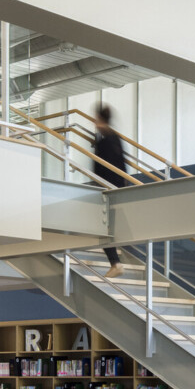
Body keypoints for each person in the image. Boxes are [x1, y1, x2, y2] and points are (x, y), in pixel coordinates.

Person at [89, 104, 131, 279]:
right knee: (108, 227)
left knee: (103, 227)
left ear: (99, 119)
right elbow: (122, 165)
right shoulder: (115, 138)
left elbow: (100, 167)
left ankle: (115, 262)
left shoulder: (105, 141)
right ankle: (116, 261)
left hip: (106, 188)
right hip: (117, 187)